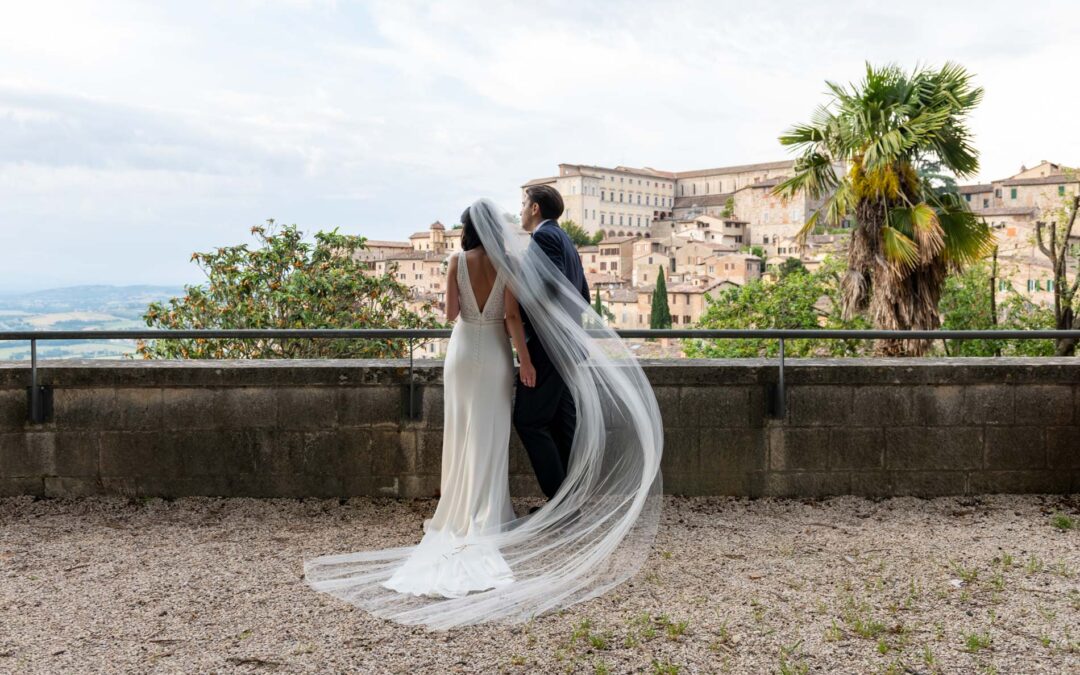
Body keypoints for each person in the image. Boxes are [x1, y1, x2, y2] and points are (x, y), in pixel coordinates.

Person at [303, 196, 663, 631]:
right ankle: (489, 512)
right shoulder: (508, 261)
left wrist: (462, 300)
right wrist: (525, 361)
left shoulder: (455, 259)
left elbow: (452, 313)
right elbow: (512, 317)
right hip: (494, 351)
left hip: (460, 351)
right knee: (491, 430)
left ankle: (457, 507)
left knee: (461, 430)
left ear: (466, 228)